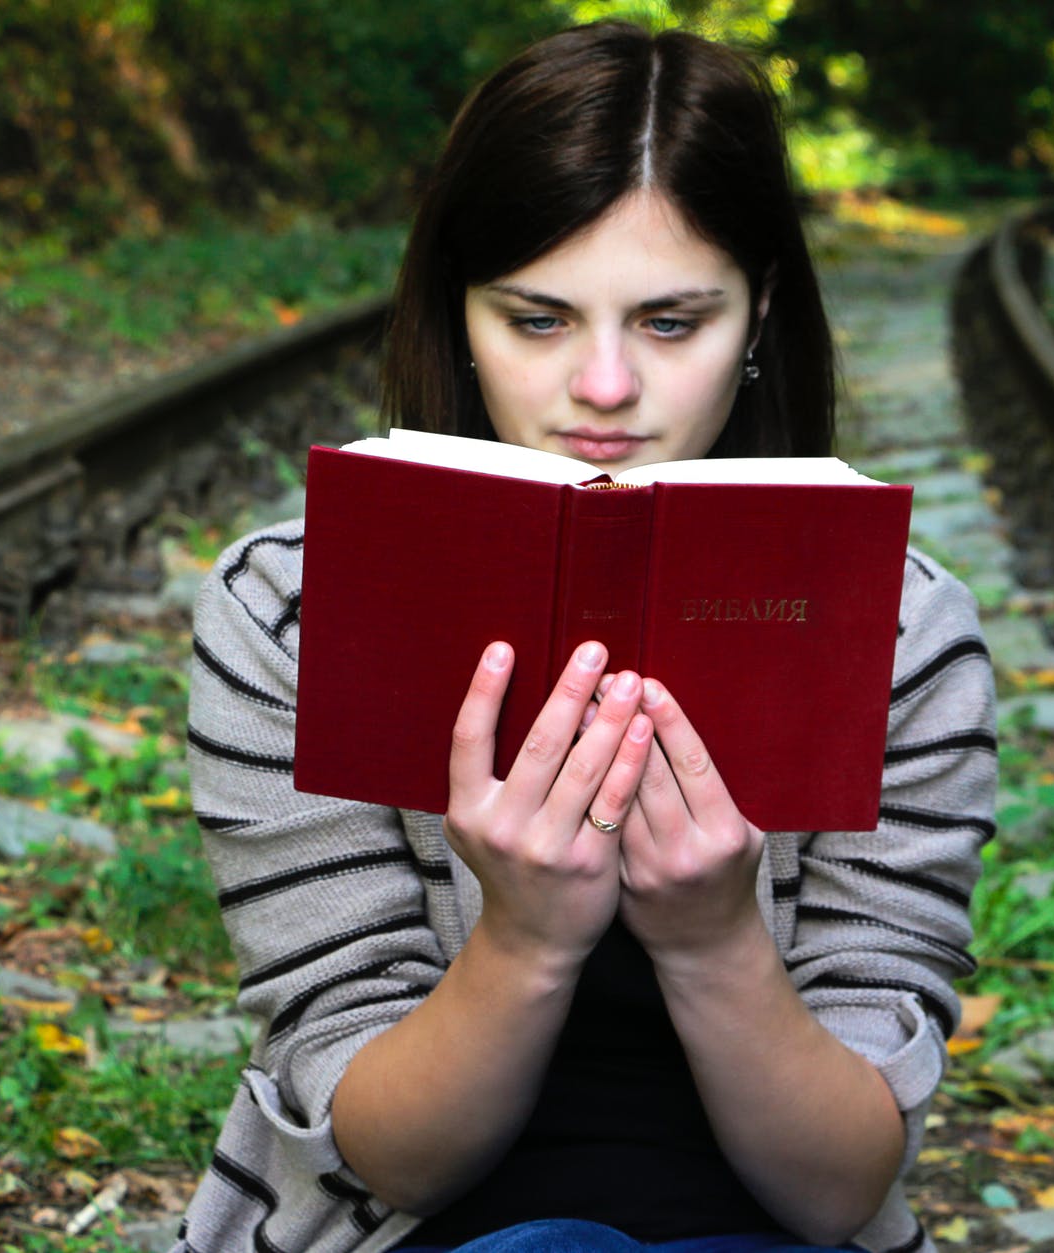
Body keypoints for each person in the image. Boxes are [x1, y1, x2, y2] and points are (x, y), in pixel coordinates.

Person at [173, 21, 997, 1253]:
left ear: (759, 310)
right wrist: (523, 937)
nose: (602, 386)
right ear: (459, 312)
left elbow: (836, 1189)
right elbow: (385, 1149)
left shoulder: (897, 627)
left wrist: (714, 935)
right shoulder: (290, 608)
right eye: (537, 318)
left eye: (670, 322)